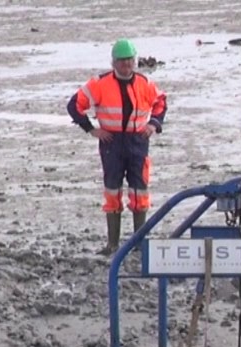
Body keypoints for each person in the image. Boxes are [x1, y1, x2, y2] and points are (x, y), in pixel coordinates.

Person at [68, 38, 168, 255]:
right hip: (111, 142)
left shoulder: (145, 83)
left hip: (138, 141)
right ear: (113, 63)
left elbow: (161, 102)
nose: (126, 65)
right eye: (122, 61)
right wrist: (91, 129)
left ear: (136, 61)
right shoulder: (99, 83)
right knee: (112, 190)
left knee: (140, 191)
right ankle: (112, 244)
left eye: (130, 61)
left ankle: (139, 243)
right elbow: (74, 105)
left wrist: (153, 124)